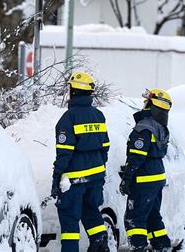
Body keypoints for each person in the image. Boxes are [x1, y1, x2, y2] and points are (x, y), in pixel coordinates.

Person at [51, 72, 110, 252]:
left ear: (73, 91)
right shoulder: (99, 115)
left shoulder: (68, 119)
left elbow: (64, 154)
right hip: (96, 177)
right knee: (91, 212)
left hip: (74, 181)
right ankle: (100, 244)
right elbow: (105, 147)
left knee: (70, 223)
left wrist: (56, 178)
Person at [119, 88, 173, 252]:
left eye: (146, 101)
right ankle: (162, 246)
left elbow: (137, 157)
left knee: (134, 219)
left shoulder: (143, 128)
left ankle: (139, 248)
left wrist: (127, 178)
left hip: (143, 181)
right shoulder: (160, 127)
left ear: (152, 104)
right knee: (153, 216)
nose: (143, 104)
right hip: (156, 179)